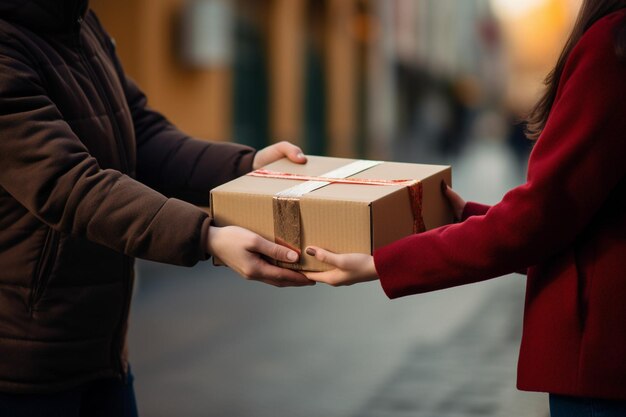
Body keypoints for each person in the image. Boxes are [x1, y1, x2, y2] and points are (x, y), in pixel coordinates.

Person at [304, 1, 626, 416]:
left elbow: (540, 220)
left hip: (606, 359)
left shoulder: (613, 45)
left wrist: (380, 264)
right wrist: (467, 217)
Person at [0, 0, 313, 415]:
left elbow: (143, 135)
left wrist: (246, 166)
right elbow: (67, 183)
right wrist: (205, 236)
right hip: (24, 365)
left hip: (102, 351)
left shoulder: (78, 22)